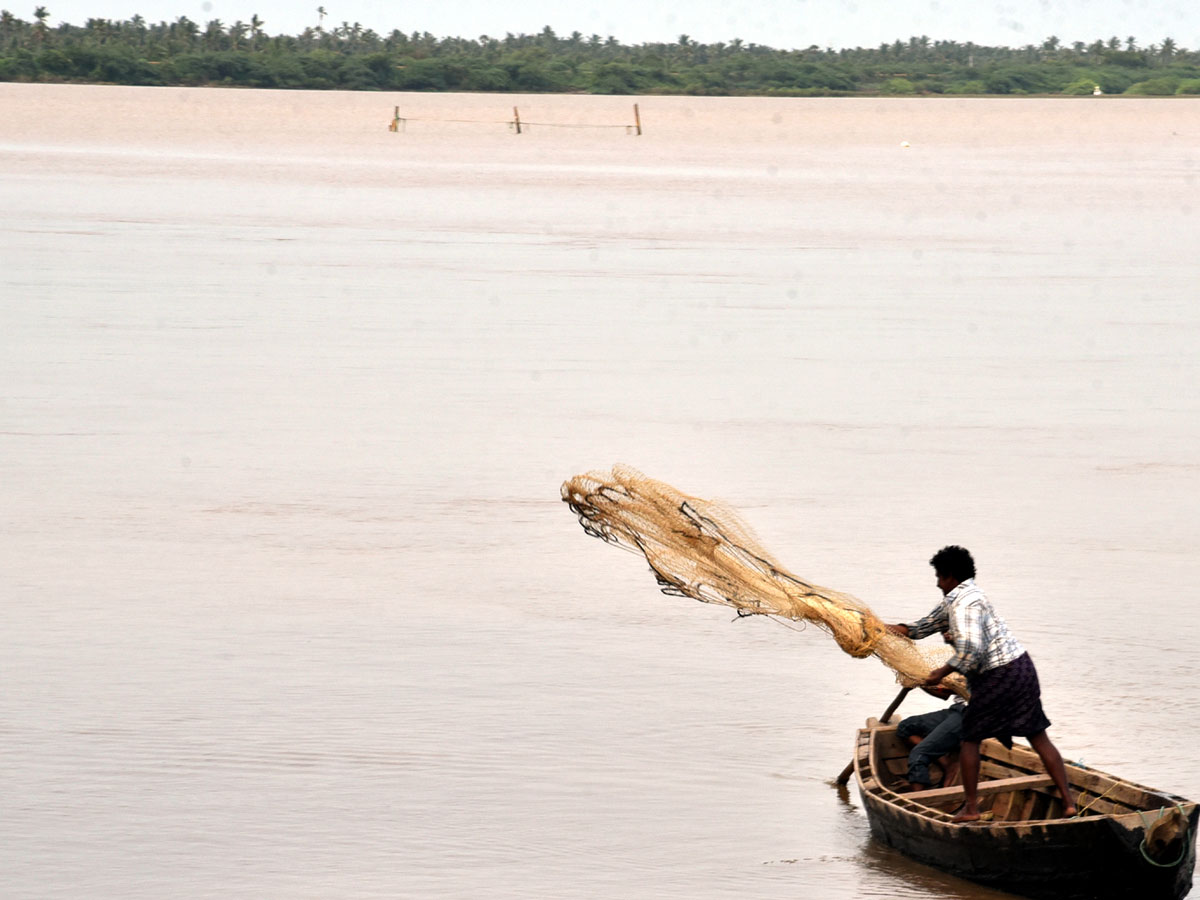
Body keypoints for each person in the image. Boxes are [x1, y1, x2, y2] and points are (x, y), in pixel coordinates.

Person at [887, 545, 1076, 823]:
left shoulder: (965, 605)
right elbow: (919, 628)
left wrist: (941, 672)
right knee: (1038, 736)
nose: (937, 583)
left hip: (997, 675)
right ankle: (1069, 803)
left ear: (950, 575)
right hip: (1022, 668)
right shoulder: (963, 597)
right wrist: (880, 629)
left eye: (939, 576)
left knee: (969, 738)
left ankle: (972, 808)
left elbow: (972, 651)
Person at [896, 687, 965, 792]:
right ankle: (947, 764)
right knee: (905, 727)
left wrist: (932, 680)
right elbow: (945, 694)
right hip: (956, 709)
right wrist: (920, 683)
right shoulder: (962, 671)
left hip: (968, 714)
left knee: (919, 754)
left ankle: (918, 798)